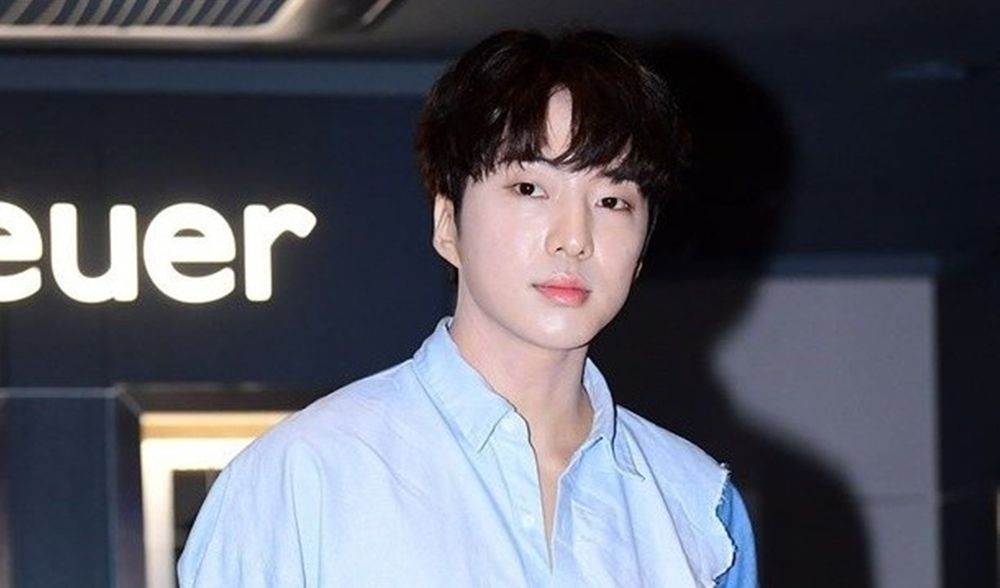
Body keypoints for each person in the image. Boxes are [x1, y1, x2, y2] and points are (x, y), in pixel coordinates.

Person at [178, 29, 758, 588]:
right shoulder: (304, 475)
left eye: (612, 200)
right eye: (529, 189)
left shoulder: (698, 504)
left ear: (642, 249)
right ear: (447, 223)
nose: (573, 238)